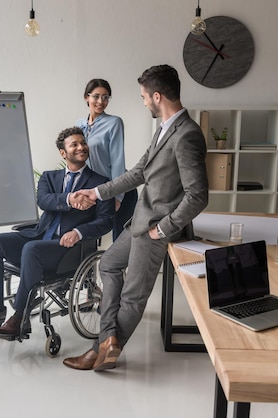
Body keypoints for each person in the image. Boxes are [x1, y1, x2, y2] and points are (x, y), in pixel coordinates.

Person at [63, 64, 208, 371]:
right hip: (140, 221)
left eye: (144, 96)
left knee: (133, 297)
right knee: (109, 263)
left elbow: (198, 195)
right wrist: (97, 193)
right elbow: (139, 172)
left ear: (157, 96)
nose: (143, 102)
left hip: (156, 228)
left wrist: (164, 229)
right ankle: (109, 340)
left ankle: (98, 352)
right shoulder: (165, 129)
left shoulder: (187, 135)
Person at [0, 127, 114, 337]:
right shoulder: (49, 178)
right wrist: (69, 199)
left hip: (67, 248)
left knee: (31, 249)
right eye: (74, 144)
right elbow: (44, 200)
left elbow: (106, 221)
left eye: (83, 143)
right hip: (39, 236)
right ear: (63, 153)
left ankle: (19, 317)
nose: (81, 147)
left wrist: (79, 232)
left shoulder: (101, 183)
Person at [76, 79, 137, 241]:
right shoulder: (79, 125)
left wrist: (118, 196)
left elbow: (118, 161)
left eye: (105, 97)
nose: (100, 102)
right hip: (94, 191)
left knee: (119, 241)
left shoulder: (114, 123)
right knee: (86, 236)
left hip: (118, 188)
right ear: (86, 97)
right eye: (96, 96)